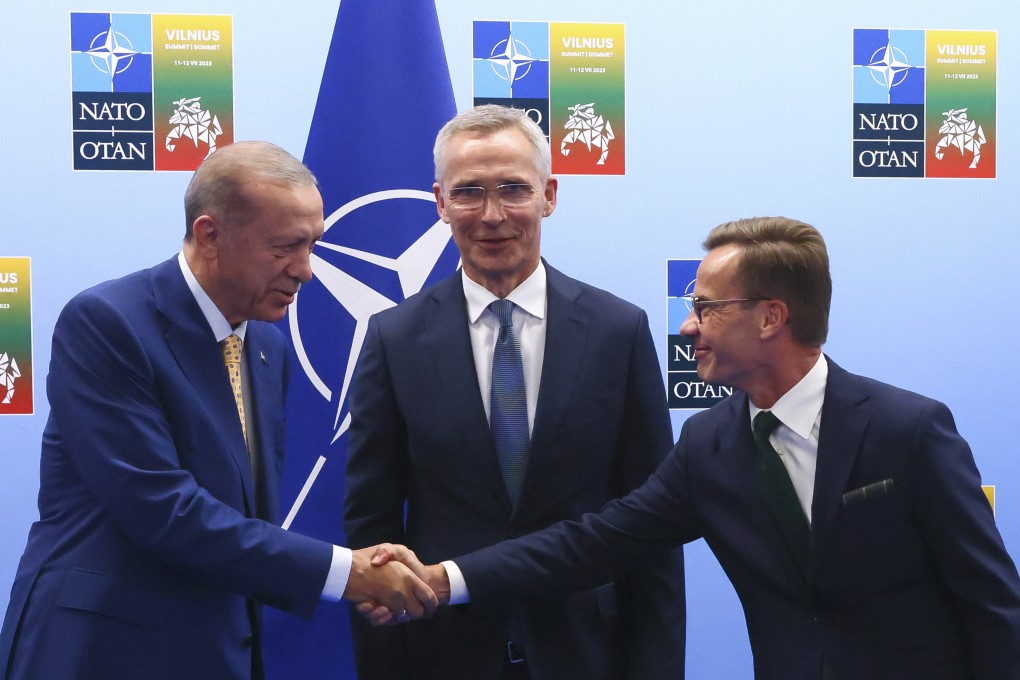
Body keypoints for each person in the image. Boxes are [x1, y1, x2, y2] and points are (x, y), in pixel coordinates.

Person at [373, 216, 1020, 679]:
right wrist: (444, 578)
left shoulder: (909, 430)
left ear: (770, 317)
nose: (687, 328)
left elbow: (991, 603)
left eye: (706, 309)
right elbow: (592, 544)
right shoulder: (709, 445)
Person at [0, 141, 436, 680]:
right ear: (209, 235)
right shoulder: (107, 324)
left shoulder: (266, 347)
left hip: (217, 649)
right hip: (104, 651)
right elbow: (162, 509)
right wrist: (346, 572)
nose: (307, 271)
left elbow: (246, 515)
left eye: (312, 246)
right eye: (285, 247)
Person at [343, 105, 686, 679]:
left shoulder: (617, 332)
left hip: (587, 654)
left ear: (549, 195)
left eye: (513, 189)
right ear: (440, 202)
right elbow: (373, 532)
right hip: (443, 655)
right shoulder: (394, 339)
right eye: (469, 192)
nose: (492, 215)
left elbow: (651, 528)